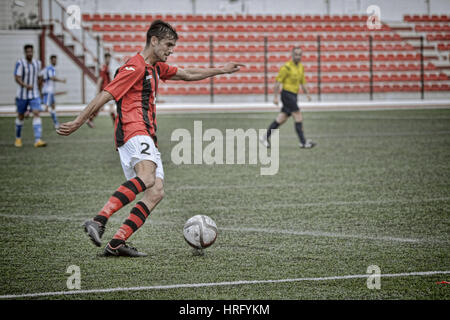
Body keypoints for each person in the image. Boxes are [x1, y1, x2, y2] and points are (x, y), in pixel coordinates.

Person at [57, 20, 244, 257]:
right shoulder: (134, 67)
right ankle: (98, 220)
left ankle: (116, 243)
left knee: (156, 191)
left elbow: (187, 74)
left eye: (173, 46)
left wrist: (220, 69)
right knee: (146, 178)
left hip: (146, 135)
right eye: (168, 44)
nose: (171, 50)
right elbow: (106, 94)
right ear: (153, 41)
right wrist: (78, 121)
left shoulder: (155, 68)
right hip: (134, 130)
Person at [260, 46, 316, 149]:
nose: (298, 56)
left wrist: (307, 93)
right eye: (296, 54)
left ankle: (264, 137)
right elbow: (278, 82)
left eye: (300, 55)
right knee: (298, 115)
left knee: (281, 118)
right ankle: (303, 142)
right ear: (292, 55)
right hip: (286, 94)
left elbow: (303, 82)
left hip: (294, 95)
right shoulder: (286, 67)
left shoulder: (301, 67)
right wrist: (275, 97)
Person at [14, 44, 46, 148]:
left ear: (33, 52)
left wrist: (40, 92)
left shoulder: (37, 63)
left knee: (36, 113)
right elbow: (17, 77)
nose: (30, 53)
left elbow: (40, 77)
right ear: (25, 52)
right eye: (28, 52)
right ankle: (18, 138)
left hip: (34, 94)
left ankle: (38, 140)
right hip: (22, 95)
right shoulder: (20, 63)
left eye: (31, 51)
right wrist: (25, 85)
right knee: (21, 116)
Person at [86, 52, 116, 128]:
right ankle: (116, 124)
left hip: (108, 90)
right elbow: (100, 79)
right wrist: (97, 90)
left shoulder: (107, 68)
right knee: (108, 107)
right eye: (108, 58)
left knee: (103, 107)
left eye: (110, 58)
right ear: (105, 58)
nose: (109, 60)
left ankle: (90, 119)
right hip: (106, 90)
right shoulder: (104, 68)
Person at [40, 55, 66, 129]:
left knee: (53, 107)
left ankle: (56, 123)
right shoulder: (50, 68)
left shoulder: (48, 68)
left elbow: (40, 75)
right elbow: (52, 77)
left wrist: (42, 83)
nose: (55, 61)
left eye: (56, 60)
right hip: (48, 91)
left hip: (49, 91)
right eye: (53, 60)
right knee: (46, 108)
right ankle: (30, 109)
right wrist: (62, 80)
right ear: (51, 60)